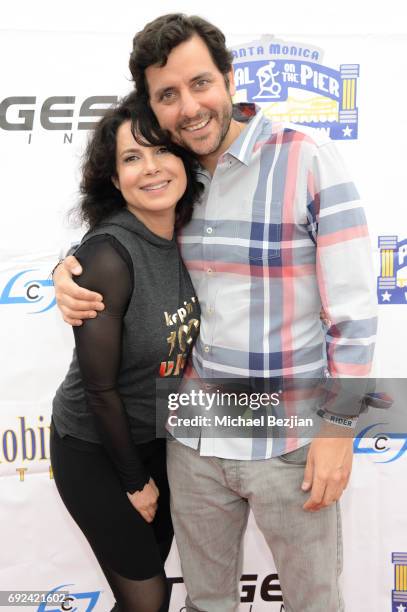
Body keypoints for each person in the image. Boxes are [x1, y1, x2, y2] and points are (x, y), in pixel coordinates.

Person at [53, 14, 378, 612]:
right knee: (205, 604)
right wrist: (67, 270)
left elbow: (355, 313)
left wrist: (338, 430)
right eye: (168, 95)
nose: (189, 107)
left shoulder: (306, 159)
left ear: (229, 78)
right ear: (154, 107)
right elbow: (120, 239)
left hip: (291, 445)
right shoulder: (173, 175)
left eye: (201, 83)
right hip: (193, 444)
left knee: (313, 603)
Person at [50, 89, 201, 612]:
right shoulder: (109, 255)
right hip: (94, 446)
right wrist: (135, 482)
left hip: (159, 436)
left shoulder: (193, 234)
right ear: (115, 180)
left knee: (147, 586)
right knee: (148, 598)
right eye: (132, 157)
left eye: (162, 149)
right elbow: (100, 386)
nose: (152, 168)